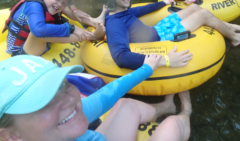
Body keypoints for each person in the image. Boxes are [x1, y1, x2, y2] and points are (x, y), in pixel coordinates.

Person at [0, 55, 192, 141]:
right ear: (11, 135)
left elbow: (107, 95)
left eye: (62, 85)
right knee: (174, 125)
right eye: (41, 102)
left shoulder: (63, 120)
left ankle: (167, 107)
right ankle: (186, 111)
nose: (67, 99)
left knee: (125, 105)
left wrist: (147, 68)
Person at [101, 0, 240, 70]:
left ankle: (230, 27)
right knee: (203, 14)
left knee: (194, 7)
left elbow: (143, 9)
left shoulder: (121, 11)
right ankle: (236, 38)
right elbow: (121, 57)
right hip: (162, 38)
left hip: (157, 28)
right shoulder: (115, 23)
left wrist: (163, 2)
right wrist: (165, 60)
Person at [3, 0, 106, 56]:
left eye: (64, 2)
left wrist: (74, 10)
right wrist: (72, 28)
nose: (60, 3)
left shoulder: (54, 4)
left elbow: (65, 3)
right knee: (37, 33)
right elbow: (38, 30)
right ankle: (92, 37)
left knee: (61, 7)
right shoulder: (33, 6)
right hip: (21, 51)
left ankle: (94, 21)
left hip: (38, 42)